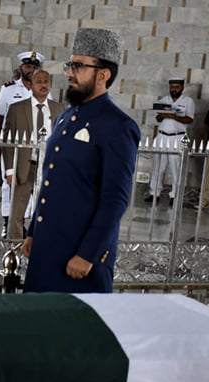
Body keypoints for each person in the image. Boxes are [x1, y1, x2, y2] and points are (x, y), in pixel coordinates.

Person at [21, 27, 141, 293]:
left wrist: (88, 254)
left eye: (78, 66)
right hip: (47, 248)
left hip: (79, 259)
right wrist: (33, 231)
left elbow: (115, 199)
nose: (68, 73)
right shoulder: (66, 117)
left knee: (75, 329)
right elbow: (52, 180)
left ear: (103, 74)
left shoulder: (118, 126)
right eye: (69, 64)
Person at [1, 69, 64, 240]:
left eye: (46, 81)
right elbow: (7, 143)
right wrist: (9, 171)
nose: (43, 85)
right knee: (17, 213)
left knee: (47, 211)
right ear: (30, 85)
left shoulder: (59, 108)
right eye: (39, 81)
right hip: (24, 167)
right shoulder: (17, 108)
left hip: (49, 168)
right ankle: (13, 251)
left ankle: (40, 247)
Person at [0, 51, 44, 238]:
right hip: (12, 146)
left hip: (34, 146)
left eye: (34, 66)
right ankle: (8, 223)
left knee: (30, 186)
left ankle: (22, 221)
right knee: (9, 184)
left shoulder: (43, 88)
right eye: (27, 66)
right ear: (20, 68)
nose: (30, 70)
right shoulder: (8, 89)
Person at [146, 77, 195, 206]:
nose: (174, 89)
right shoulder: (164, 99)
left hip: (177, 137)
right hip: (162, 135)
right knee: (158, 166)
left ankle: (175, 196)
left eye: (177, 87)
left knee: (175, 167)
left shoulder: (188, 101)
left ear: (182, 88)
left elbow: (190, 120)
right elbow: (158, 118)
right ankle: (154, 193)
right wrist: (162, 115)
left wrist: (175, 116)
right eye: (172, 87)